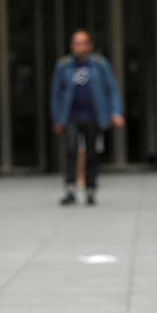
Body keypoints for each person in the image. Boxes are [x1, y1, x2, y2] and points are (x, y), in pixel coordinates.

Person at [49, 29, 124, 206]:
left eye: (82, 43)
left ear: (89, 46)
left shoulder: (99, 64)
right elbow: (55, 94)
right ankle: (70, 189)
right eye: (75, 43)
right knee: (71, 151)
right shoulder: (63, 65)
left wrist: (115, 112)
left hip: (94, 116)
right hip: (71, 117)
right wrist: (58, 119)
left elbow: (111, 89)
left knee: (92, 153)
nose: (79, 46)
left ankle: (90, 189)